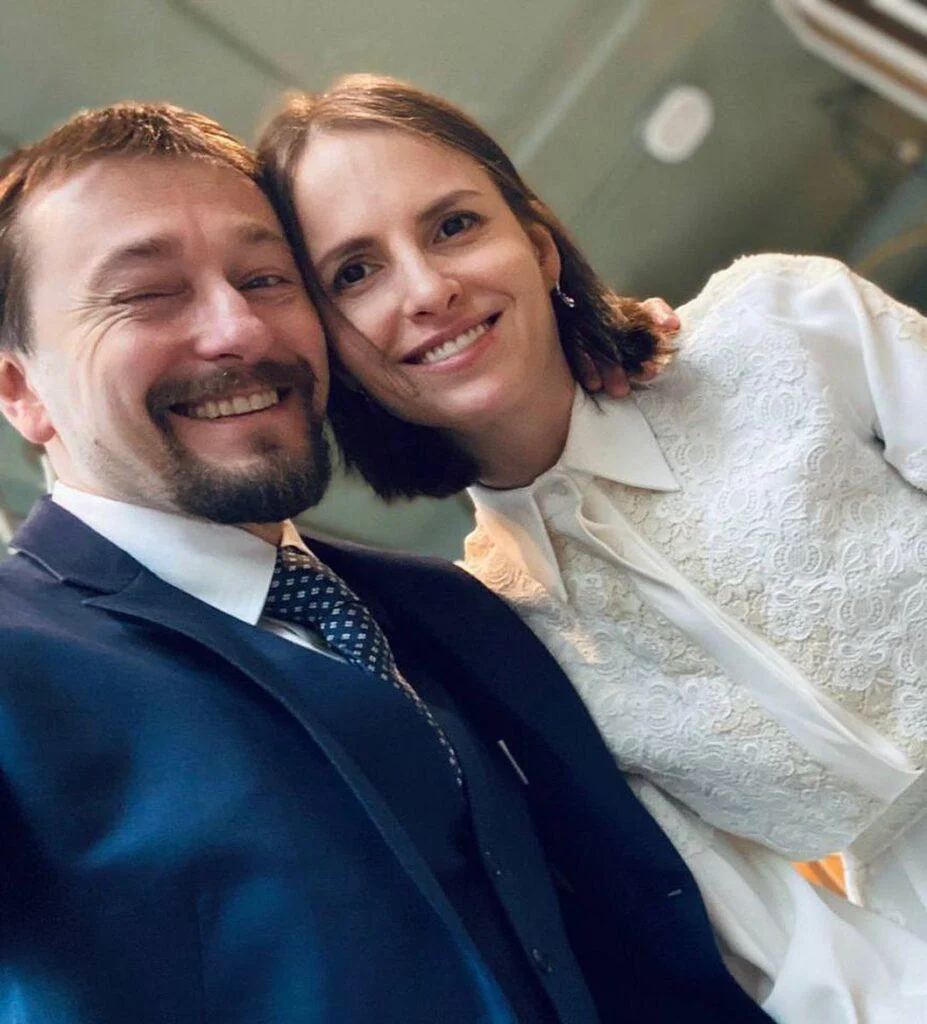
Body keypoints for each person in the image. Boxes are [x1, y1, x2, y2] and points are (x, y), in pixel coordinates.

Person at [0, 101, 779, 1024]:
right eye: (147, 294)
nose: (238, 329)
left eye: (266, 278)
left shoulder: (447, 609)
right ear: (19, 387)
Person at [256, 73, 927, 1020]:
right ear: (329, 351)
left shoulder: (786, 325)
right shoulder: (495, 636)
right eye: (354, 273)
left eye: (452, 225)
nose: (429, 289)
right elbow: (771, 933)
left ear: (536, 244)